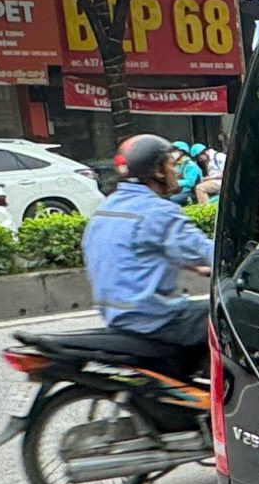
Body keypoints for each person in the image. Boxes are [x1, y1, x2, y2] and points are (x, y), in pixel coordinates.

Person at [82, 133, 216, 374]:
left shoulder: (105, 209)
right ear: (158, 171)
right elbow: (208, 251)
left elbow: (136, 251)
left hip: (116, 316)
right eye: (171, 165)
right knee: (227, 316)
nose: (175, 171)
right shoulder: (158, 211)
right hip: (152, 318)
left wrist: (192, 265)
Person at [169, 142, 205, 206]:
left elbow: (190, 182)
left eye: (175, 150)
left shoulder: (190, 165)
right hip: (182, 191)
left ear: (182, 152)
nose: (172, 153)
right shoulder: (178, 165)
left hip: (193, 192)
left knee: (173, 199)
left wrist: (175, 182)